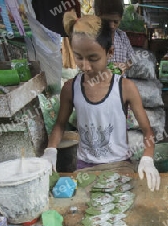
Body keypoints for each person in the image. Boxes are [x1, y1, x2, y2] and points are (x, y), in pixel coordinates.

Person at [42, 12, 160, 191]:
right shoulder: (70, 88)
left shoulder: (125, 87)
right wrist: (50, 150)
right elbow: (59, 125)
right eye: (79, 57)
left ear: (110, 52)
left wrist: (148, 158)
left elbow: (147, 130)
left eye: (93, 58)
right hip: (84, 166)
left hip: (119, 165)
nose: (85, 66)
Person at [93, 0, 135, 72]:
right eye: (106, 21)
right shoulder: (91, 37)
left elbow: (132, 60)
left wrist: (123, 66)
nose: (112, 26)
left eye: (116, 22)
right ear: (97, 16)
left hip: (119, 81)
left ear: (121, 19)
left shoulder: (122, 36)